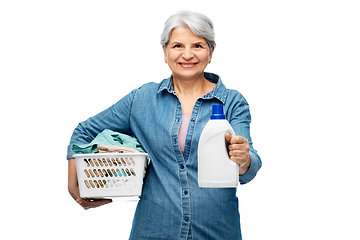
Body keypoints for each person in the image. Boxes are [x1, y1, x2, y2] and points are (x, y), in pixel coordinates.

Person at [67, 10, 262, 240]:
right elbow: (84, 132)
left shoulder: (231, 102)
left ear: (211, 52)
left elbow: (249, 168)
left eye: (197, 46)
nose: (187, 55)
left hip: (217, 232)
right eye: (178, 46)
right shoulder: (142, 99)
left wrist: (243, 159)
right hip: (153, 231)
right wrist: (74, 185)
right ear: (165, 52)